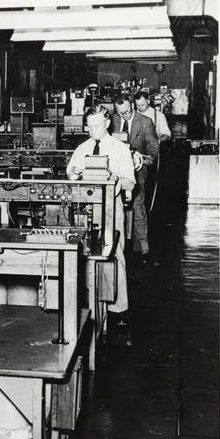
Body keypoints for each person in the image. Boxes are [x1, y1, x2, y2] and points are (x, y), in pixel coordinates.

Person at [67, 105, 135, 323]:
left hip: (111, 208)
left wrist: (113, 179)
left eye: (96, 126)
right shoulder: (82, 148)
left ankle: (118, 309)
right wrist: (74, 174)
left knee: (115, 254)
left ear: (106, 123)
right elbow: (70, 174)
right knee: (86, 255)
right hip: (86, 208)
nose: (91, 130)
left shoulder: (120, 148)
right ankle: (90, 306)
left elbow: (130, 181)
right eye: (89, 126)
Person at [111, 97, 160, 264]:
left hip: (137, 170)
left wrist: (150, 158)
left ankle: (142, 250)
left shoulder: (145, 122)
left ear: (132, 107)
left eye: (127, 112)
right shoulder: (112, 120)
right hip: (116, 171)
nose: (124, 116)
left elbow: (153, 144)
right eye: (120, 113)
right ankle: (116, 246)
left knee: (138, 207)